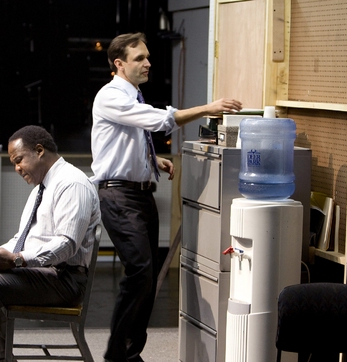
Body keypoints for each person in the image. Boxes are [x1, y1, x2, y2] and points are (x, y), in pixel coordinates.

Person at [91, 32, 242, 362]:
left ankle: (130, 352)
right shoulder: (111, 96)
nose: (148, 63)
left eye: (147, 57)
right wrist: (208, 108)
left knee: (146, 276)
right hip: (119, 197)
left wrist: (150, 160)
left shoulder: (133, 95)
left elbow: (127, 137)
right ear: (119, 64)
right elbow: (160, 121)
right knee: (141, 272)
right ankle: (117, 355)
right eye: (139, 59)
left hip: (140, 195)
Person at [0, 125, 101, 362]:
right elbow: (22, 239)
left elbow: (67, 244)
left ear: (39, 150)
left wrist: (17, 260)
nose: (16, 168)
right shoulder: (40, 189)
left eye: (19, 160)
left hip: (65, 280)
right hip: (41, 273)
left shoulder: (72, 183)